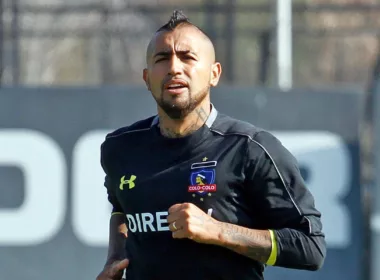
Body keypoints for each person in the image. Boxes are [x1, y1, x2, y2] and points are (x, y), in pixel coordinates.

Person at [96, 10, 326, 280]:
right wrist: (115, 257)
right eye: (162, 58)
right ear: (147, 79)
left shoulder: (251, 148)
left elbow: (310, 248)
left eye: (187, 57)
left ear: (214, 74)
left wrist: (218, 231)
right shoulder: (120, 148)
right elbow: (120, 208)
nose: (174, 67)